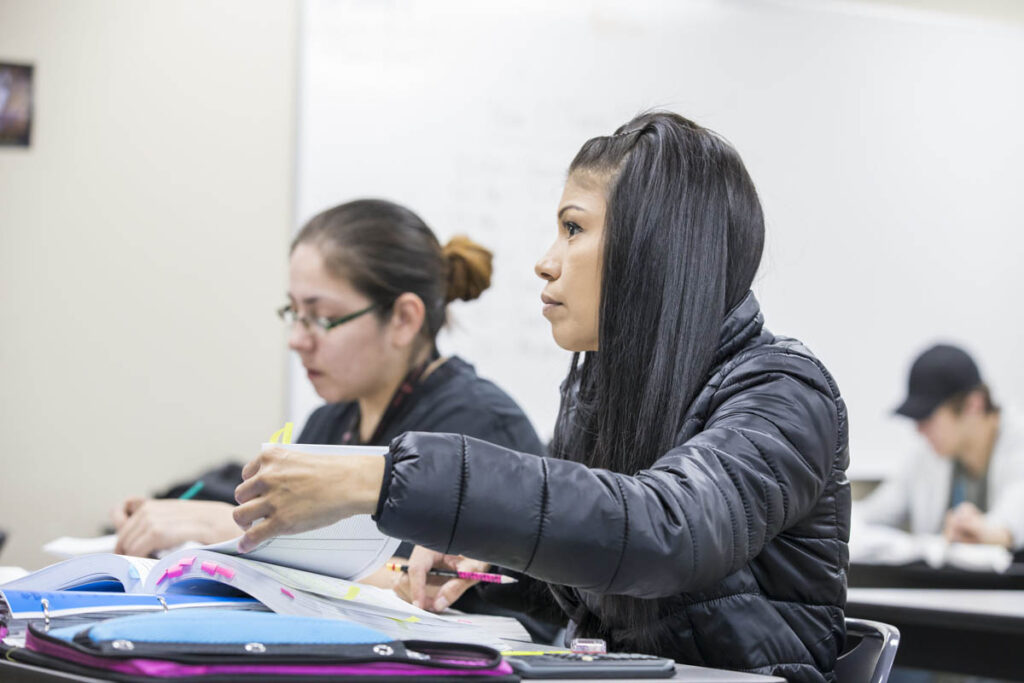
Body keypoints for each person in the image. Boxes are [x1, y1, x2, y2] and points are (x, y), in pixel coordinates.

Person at [233, 112, 851, 683]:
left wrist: (383, 477)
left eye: (574, 229)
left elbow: (666, 530)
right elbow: (592, 555)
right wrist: (480, 547)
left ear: (655, 249)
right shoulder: (600, 392)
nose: (545, 263)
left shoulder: (784, 392)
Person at [112, 199, 546, 558]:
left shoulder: (482, 430)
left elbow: (436, 588)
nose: (297, 340)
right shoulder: (329, 423)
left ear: (403, 318)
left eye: (322, 317)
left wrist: (221, 526)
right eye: (294, 314)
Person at [856, 344, 1024, 549]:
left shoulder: (1017, 444)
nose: (919, 430)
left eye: (927, 417)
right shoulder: (926, 453)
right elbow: (871, 513)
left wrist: (987, 532)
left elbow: (1013, 521)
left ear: (974, 405)